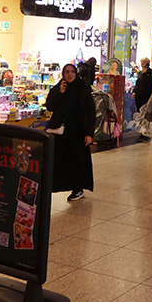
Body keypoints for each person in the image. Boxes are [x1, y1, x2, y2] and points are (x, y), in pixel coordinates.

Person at [44, 63, 96, 201]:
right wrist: (59, 92)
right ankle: (54, 186)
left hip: (78, 131)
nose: (69, 74)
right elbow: (50, 106)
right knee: (60, 160)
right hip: (61, 132)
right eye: (66, 71)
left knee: (77, 161)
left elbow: (91, 112)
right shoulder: (59, 88)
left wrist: (89, 133)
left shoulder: (83, 88)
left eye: (72, 71)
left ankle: (78, 188)